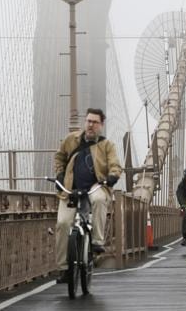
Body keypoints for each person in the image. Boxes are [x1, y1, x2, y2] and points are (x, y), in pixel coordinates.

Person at [53, 108, 122, 283]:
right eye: (88, 121)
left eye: (95, 122)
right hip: (70, 188)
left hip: (95, 185)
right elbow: (59, 157)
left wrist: (112, 176)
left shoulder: (107, 145)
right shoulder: (71, 140)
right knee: (62, 224)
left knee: (99, 199)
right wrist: (59, 174)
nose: (91, 125)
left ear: (101, 125)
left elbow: (115, 165)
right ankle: (64, 269)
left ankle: (97, 241)